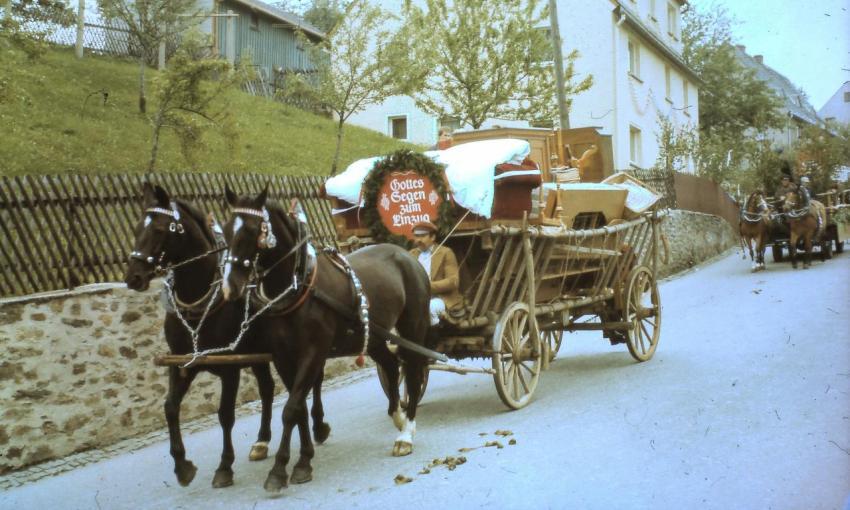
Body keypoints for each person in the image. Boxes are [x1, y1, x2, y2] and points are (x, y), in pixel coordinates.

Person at [408, 221, 463, 327]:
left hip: (442, 299)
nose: (418, 240)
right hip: (418, 299)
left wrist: (427, 286)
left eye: (423, 236)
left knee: (430, 308)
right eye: (416, 236)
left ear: (432, 237)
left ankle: (433, 338)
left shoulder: (446, 253)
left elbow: (453, 281)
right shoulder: (411, 255)